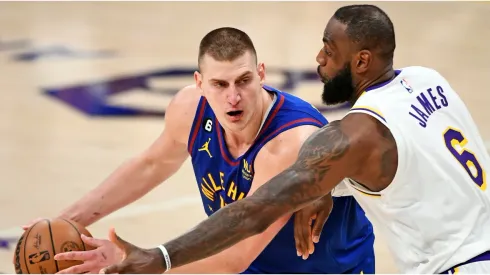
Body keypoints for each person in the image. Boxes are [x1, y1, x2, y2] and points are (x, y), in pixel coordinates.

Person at [98, 4, 490, 275]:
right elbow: (405, 159)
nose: (319, 58)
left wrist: (162, 258)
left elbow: (254, 211)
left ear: (362, 61)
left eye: (329, 49)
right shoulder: (427, 79)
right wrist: (326, 185)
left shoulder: (352, 136)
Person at [22, 27, 376, 274]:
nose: (233, 97)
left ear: (262, 74)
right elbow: (151, 164)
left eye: (243, 81)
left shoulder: (291, 142)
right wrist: (69, 221)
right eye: (219, 84)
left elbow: (235, 255)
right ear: (199, 83)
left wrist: (144, 260)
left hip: (325, 269)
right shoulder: (190, 108)